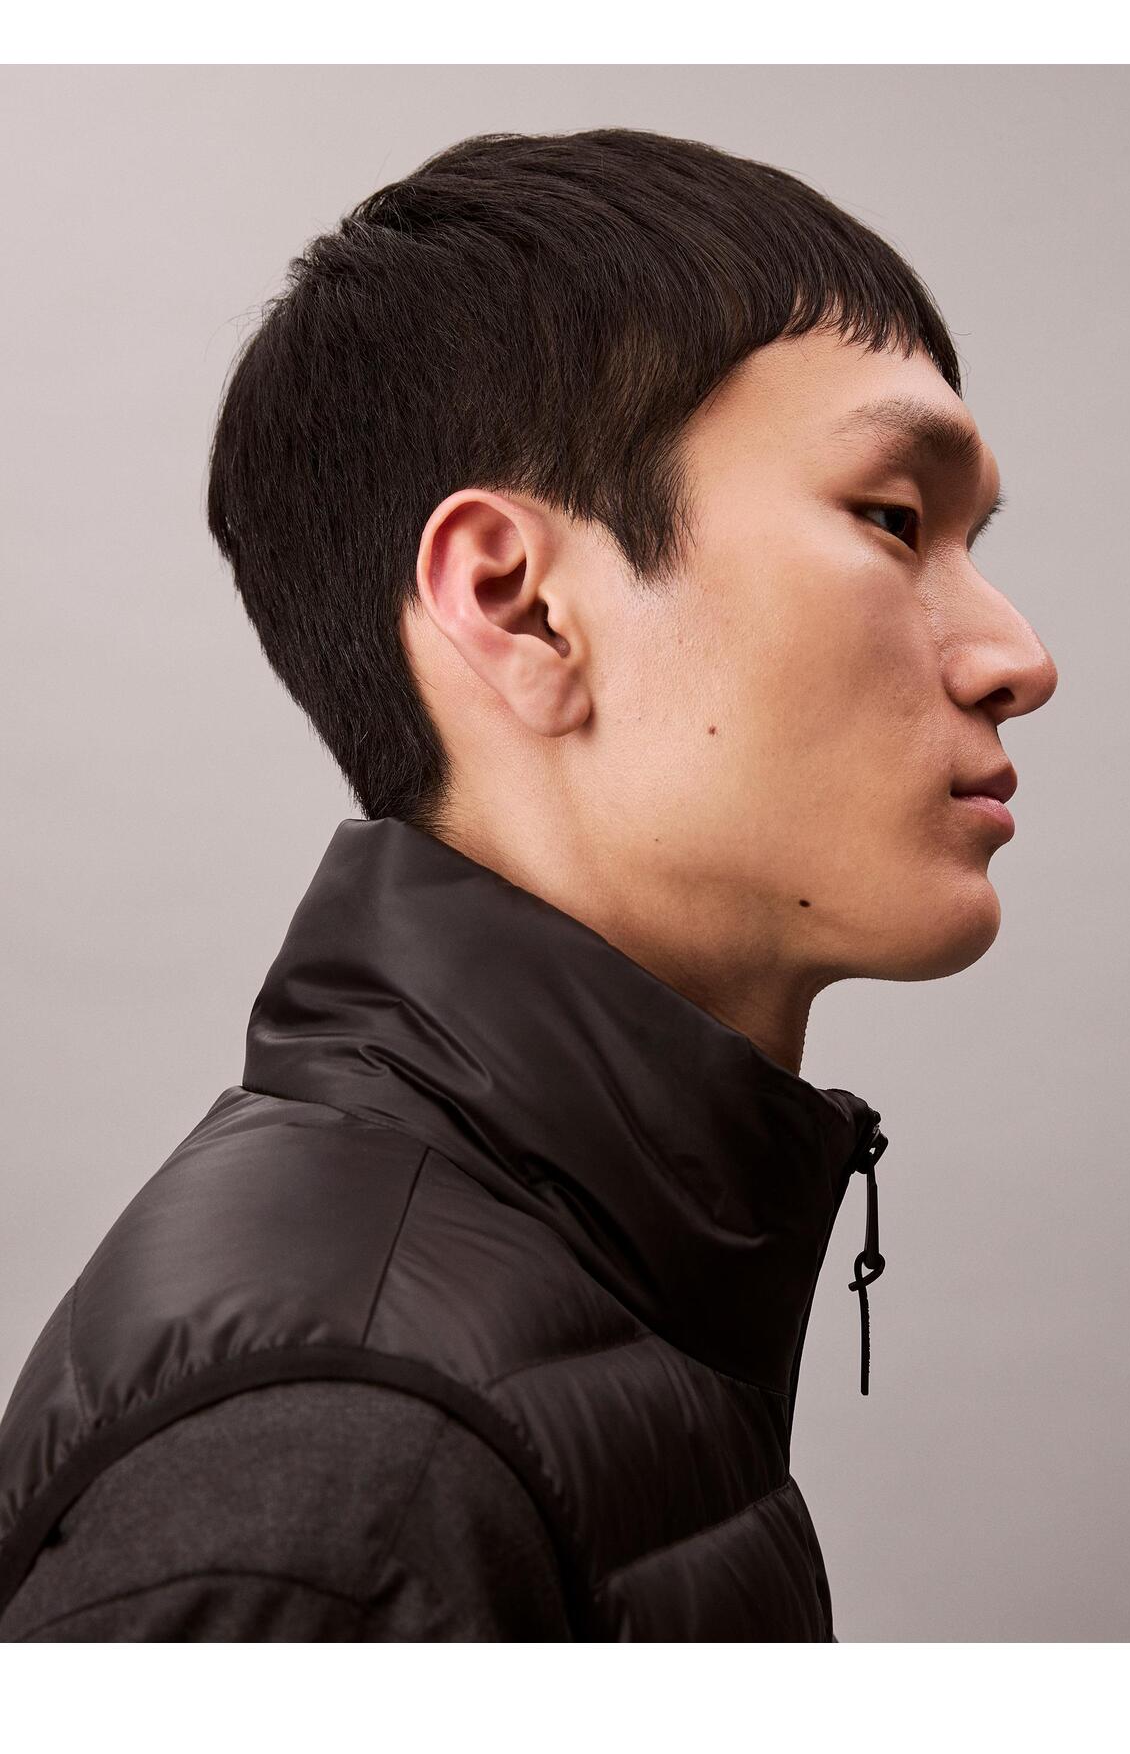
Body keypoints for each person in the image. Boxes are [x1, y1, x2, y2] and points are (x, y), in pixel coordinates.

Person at [0, 125, 1057, 1642]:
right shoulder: (344, 1487)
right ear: (519, 606)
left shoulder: (558, 1311)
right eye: (894, 520)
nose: (1018, 656)